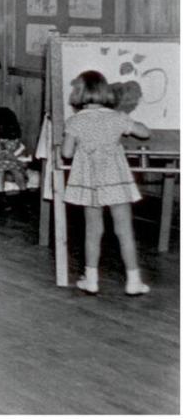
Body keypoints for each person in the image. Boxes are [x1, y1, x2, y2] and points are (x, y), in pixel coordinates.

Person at [62, 70, 151, 296]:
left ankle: (91, 279)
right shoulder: (117, 117)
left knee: (93, 231)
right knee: (124, 231)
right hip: (116, 181)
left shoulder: (74, 121)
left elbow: (67, 153)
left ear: (80, 93)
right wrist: (130, 124)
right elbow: (144, 133)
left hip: (90, 181)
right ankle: (134, 280)